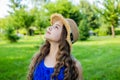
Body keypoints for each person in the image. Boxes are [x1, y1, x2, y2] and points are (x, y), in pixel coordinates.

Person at [27, 13, 83, 80]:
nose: (49, 28)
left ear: (65, 36)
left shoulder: (74, 66)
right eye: (52, 25)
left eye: (56, 27)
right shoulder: (38, 58)